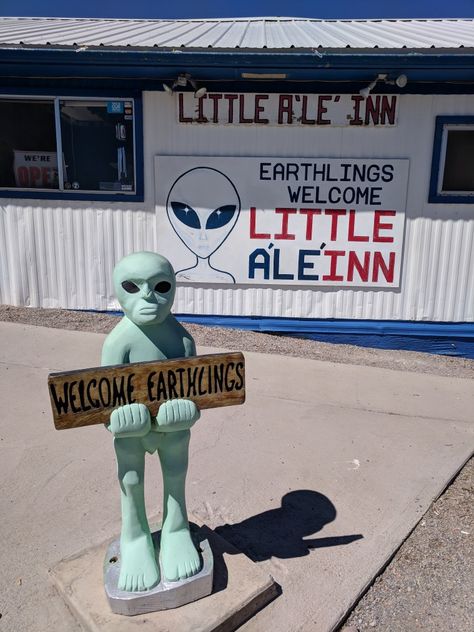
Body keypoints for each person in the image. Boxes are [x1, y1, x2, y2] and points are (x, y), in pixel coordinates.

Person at [102, 251, 201, 592]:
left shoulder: (182, 339)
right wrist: (119, 417)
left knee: (176, 476)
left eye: (160, 286)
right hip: (132, 436)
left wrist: (188, 411)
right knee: (130, 482)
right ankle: (134, 537)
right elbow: (101, 401)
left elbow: (198, 391)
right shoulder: (118, 341)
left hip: (172, 433)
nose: (148, 297)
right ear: (118, 289)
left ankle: (176, 529)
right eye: (133, 286)